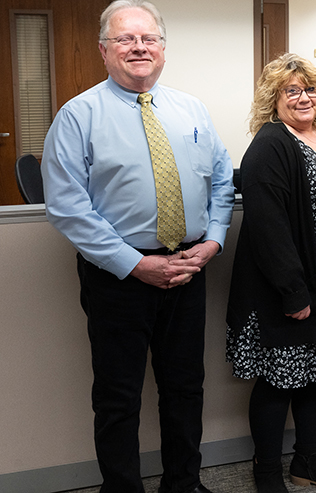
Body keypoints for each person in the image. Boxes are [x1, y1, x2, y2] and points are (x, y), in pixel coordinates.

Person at [41, 1, 234, 491]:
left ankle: (183, 484)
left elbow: (220, 183)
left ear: (164, 50)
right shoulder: (77, 115)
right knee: (118, 396)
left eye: (149, 38)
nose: (139, 47)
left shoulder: (191, 109)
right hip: (117, 277)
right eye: (126, 39)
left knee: (186, 388)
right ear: (104, 50)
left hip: (189, 267)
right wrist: (133, 264)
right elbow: (67, 206)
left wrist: (213, 240)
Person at [225, 53, 316, 493]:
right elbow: (268, 229)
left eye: (310, 89)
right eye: (292, 90)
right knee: (278, 378)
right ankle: (266, 472)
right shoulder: (270, 144)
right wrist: (294, 292)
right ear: (274, 99)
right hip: (291, 283)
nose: (303, 97)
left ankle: (310, 460)